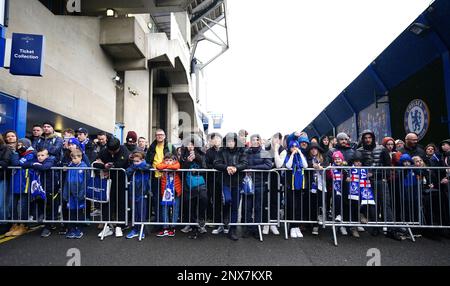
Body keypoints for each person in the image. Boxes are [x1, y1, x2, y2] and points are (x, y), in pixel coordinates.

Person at [357, 130, 403, 241]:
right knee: (372, 205)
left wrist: (383, 176)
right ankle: (375, 228)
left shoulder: (382, 149)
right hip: (367, 182)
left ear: (373, 138)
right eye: (365, 137)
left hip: (380, 180)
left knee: (386, 204)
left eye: (369, 137)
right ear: (363, 139)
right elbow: (358, 165)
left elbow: (387, 165)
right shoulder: (359, 151)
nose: (367, 139)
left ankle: (391, 230)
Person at [214, 132, 248, 241]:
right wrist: (226, 167)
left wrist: (236, 168)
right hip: (225, 181)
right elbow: (216, 163)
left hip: (237, 182)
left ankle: (232, 230)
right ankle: (225, 221)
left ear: (236, 141)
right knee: (227, 200)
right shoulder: (221, 151)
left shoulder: (241, 150)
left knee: (235, 206)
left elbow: (245, 163)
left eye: (232, 140)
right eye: (228, 140)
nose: (230, 142)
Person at [94, 138, 130, 238]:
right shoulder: (104, 151)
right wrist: (104, 166)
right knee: (107, 203)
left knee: (121, 203)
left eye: (114, 151)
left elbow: (121, 164)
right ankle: (107, 226)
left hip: (121, 181)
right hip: (108, 181)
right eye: (110, 151)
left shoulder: (124, 150)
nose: (112, 153)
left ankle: (120, 226)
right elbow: (96, 163)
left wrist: (109, 166)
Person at [23, 148, 59, 237]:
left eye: (42, 155)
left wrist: (34, 164)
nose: (40, 157)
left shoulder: (50, 160)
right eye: (38, 155)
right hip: (39, 189)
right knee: (41, 206)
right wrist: (33, 163)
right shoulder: (36, 161)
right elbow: (24, 164)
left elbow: (44, 167)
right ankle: (47, 223)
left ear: (47, 156)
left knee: (50, 207)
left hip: (50, 188)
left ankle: (48, 227)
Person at [242, 134, 272, 240]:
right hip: (248, 185)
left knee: (258, 208)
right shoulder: (246, 152)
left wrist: (253, 168)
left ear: (259, 142)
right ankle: (248, 229)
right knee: (247, 208)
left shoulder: (265, 153)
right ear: (250, 141)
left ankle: (256, 229)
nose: (255, 141)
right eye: (253, 140)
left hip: (260, 184)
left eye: (257, 140)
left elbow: (269, 165)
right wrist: (247, 167)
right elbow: (243, 164)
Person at [5, 138, 36, 237]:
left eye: (21, 145)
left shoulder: (31, 153)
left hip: (24, 182)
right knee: (12, 205)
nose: (19, 146)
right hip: (15, 182)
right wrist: (15, 153)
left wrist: (14, 153)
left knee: (23, 205)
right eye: (18, 145)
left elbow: (17, 163)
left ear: (26, 145)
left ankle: (23, 225)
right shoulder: (19, 153)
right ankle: (14, 225)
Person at [179, 137, 208, 238]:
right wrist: (187, 161)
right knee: (189, 204)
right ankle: (190, 224)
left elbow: (205, 167)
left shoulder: (201, 154)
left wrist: (196, 158)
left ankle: (201, 223)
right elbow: (181, 169)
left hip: (200, 183)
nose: (190, 146)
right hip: (187, 183)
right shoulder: (183, 155)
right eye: (188, 145)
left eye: (192, 144)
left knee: (203, 200)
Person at [145, 129, 176, 221]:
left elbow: (176, 160)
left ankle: (168, 222)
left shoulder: (170, 147)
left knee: (168, 199)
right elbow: (148, 160)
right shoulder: (152, 147)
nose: (159, 136)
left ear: (165, 136)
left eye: (161, 135)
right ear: (155, 136)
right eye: (158, 135)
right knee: (157, 200)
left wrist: (165, 167)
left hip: (167, 178)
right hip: (155, 177)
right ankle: (159, 222)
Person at [263, 132, 286, 236]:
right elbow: (263, 163)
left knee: (275, 200)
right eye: (275, 138)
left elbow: (279, 164)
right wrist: (270, 165)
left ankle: (273, 223)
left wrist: (276, 151)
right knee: (265, 201)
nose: (276, 140)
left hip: (276, 180)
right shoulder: (266, 148)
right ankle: (265, 224)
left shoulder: (282, 150)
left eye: (278, 139)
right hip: (266, 178)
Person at [283, 140, 308, 239]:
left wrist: (300, 153)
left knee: (299, 206)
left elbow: (305, 165)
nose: (294, 148)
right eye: (292, 147)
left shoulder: (301, 156)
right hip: (291, 185)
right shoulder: (288, 156)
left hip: (300, 185)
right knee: (292, 205)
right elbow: (288, 166)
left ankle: (297, 226)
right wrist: (293, 155)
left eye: (296, 146)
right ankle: (292, 227)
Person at [126, 151, 151, 239]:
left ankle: (142, 230)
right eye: (134, 161)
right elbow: (127, 171)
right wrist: (134, 167)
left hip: (142, 193)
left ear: (142, 160)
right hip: (133, 192)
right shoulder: (132, 167)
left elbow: (147, 167)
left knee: (141, 212)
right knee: (134, 211)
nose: (135, 163)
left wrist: (138, 167)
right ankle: (135, 229)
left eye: (137, 161)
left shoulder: (146, 166)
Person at [62, 149, 87, 239]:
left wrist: (82, 193)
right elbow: (66, 181)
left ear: (80, 157)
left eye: (75, 158)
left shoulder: (84, 167)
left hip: (79, 194)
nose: (73, 160)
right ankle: (71, 229)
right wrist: (65, 193)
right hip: (71, 194)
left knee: (79, 212)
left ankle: (79, 229)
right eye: (72, 158)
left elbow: (85, 182)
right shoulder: (70, 166)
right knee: (71, 212)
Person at [156, 153, 182, 237]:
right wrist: (166, 166)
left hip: (175, 191)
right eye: (166, 160)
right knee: (165, 209)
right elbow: (158, 166)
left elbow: (176, 167)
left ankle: (173, 227)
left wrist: (166, 167)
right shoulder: (163, 164)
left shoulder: (176, 164)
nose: (168, 162)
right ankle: (165, 227)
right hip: (166, 192)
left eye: (170, 160)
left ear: (174, 160)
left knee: (175, 209)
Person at [306, 142, 328, 236]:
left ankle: (319, 223)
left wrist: (321, 167)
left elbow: (327, 166)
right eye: (312, 149)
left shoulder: (323, 158)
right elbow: (306, 165)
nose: (314, 150)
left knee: (321, 204)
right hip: (312, 186)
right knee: (312, 205)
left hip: (322, 186)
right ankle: (313, 224)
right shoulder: (308, 159)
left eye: (315, 148)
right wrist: (312, 165)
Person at [206, 133, 225, 234]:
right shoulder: (209, 152)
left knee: (226, 201)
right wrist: (216, 167)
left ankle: (226, 223)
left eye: (218, 138)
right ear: (212, 141)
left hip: (225, 179)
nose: (216, 140)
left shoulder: (224, 151)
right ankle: (217, 223)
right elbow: (206, 164)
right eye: (214, 139)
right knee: (216, 201)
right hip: (213, 180)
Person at [326, 151, 349, 236]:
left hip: (345, 190)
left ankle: (343, 226)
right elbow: (328, 177)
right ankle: (336, 225)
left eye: (339, 159)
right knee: (337, 203)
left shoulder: (345, 168)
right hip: (335, 190)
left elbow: (348, 176)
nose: (337, 160)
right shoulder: (331, 168)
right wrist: (329, 170)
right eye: (335, 159)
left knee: (345, 206)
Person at [0, 135, 12, 229]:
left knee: (2, 202)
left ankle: (3, 224)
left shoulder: (5, 148)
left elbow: (5, 162)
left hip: (2, 178)